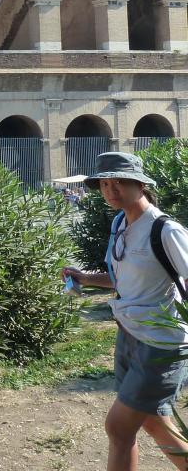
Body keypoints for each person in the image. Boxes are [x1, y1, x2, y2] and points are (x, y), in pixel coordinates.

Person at [63, 152, 188, 469]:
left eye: (119, 182)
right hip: (130, 335)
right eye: (105, 183)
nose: (110, 189)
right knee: (152, 424)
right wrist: (87, 278)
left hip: (161, 345)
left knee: (118, 427)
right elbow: (125, 279)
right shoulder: (120, 224)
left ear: (141, 185)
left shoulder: (165, 230)